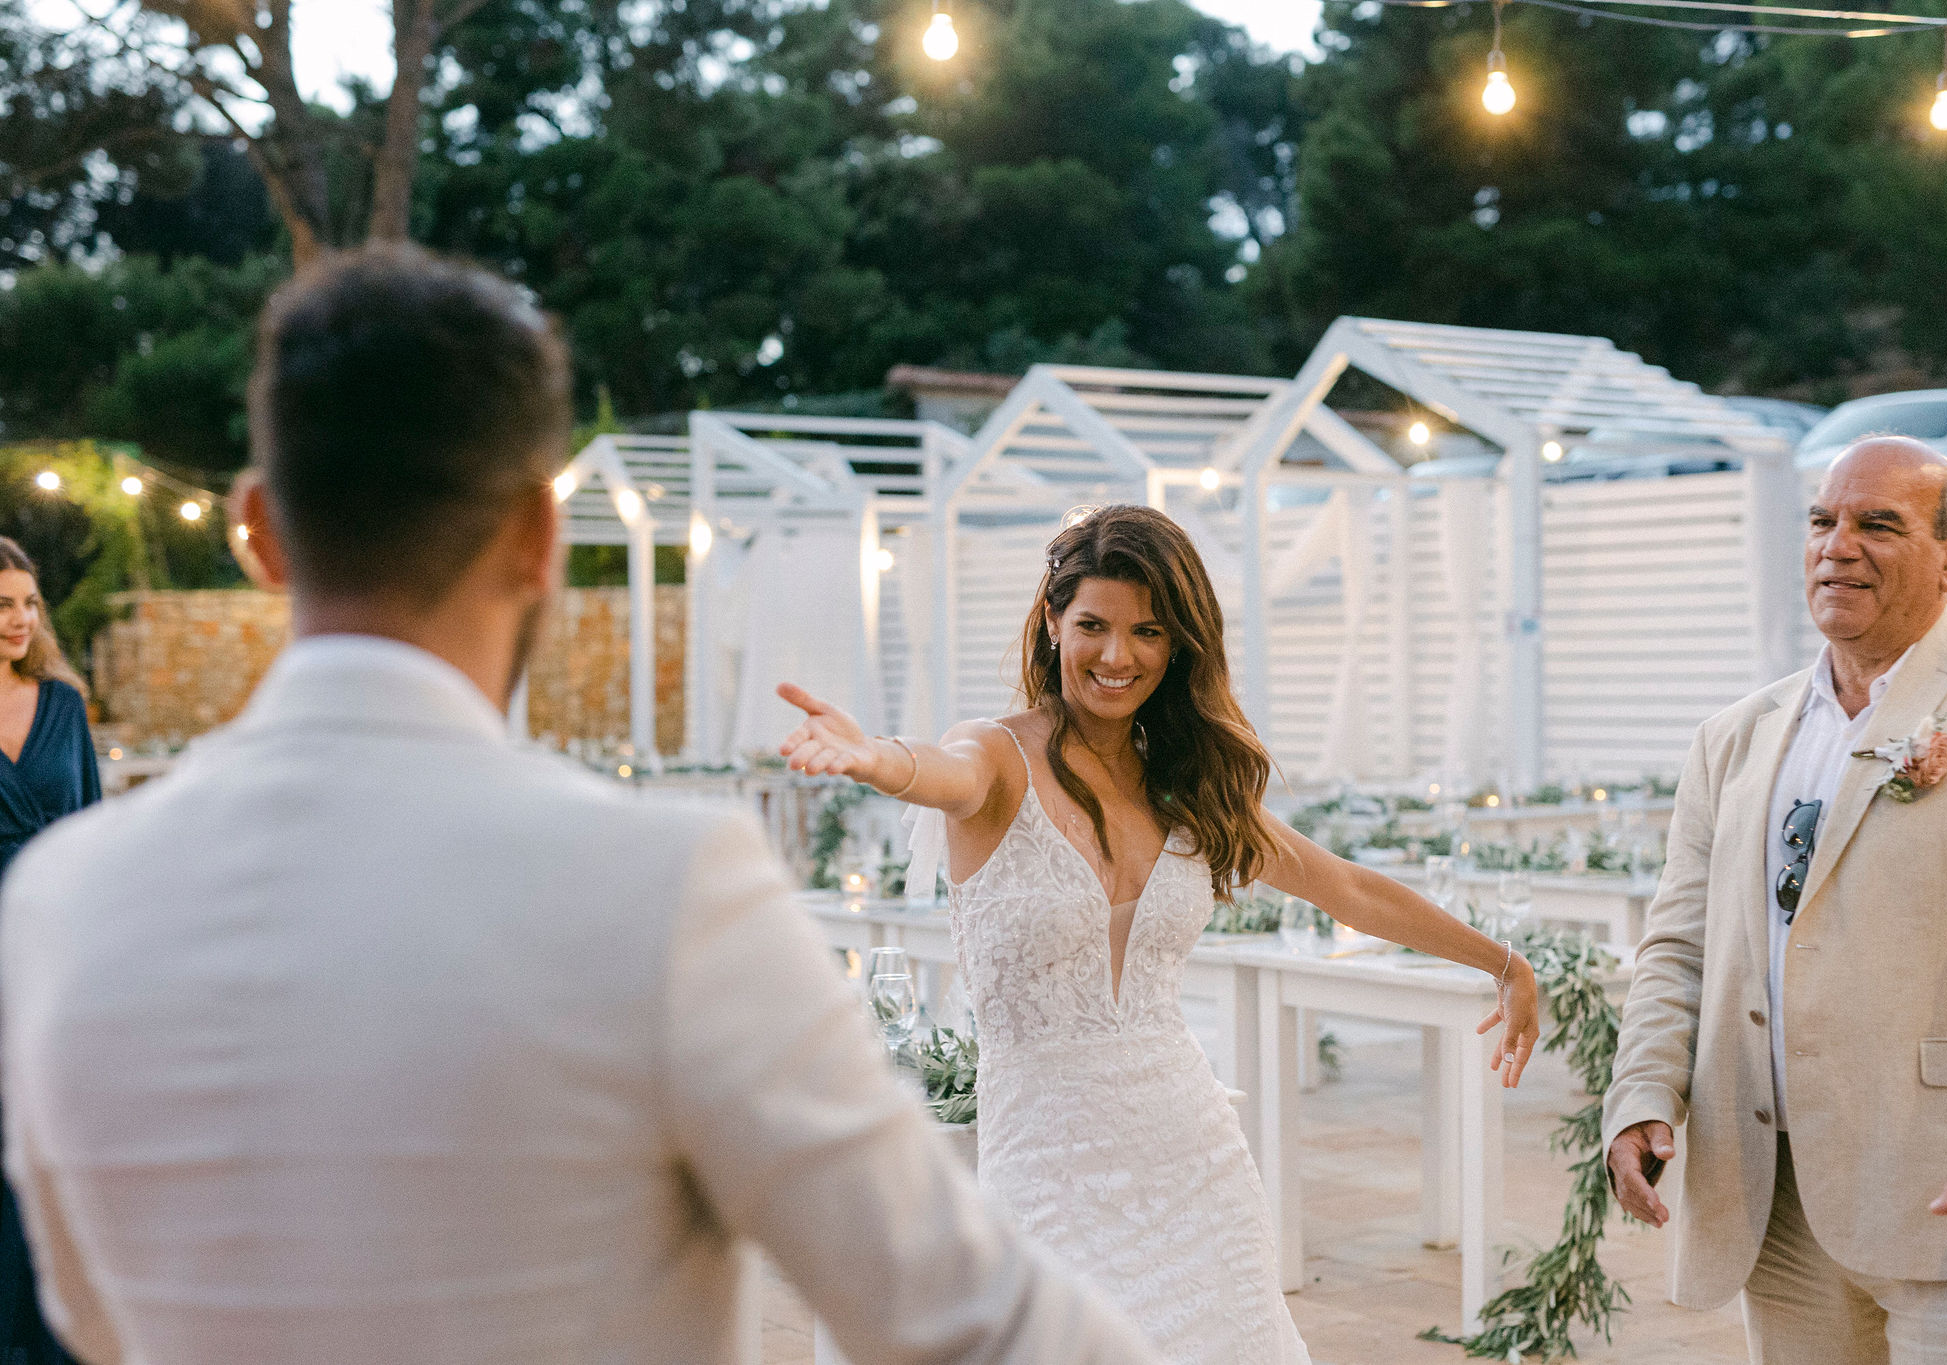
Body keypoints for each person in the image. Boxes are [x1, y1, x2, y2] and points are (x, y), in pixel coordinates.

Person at [0, 245, 1165, 1365]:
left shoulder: (58, 903)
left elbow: (91, 1321)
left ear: (255, 529)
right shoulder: (667, 886)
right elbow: (967, 1323)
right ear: (537, 536)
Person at [777, 503, 1543, 1363]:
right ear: (1052, 624)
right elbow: (932, 770)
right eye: (1094, 625)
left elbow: (1349, 889)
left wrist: (1503, 963)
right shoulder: (993, 757)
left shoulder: (1191, 785)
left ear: (1179, 644)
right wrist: (872, 757)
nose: (1118, 655)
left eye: (1147, 631)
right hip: (1047, 1168)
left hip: (1193, 1160)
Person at [1603, 437, 1947, 1364]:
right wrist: (1642, 1090)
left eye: (1877, 524)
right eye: (1822, 521)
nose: (1836, 545)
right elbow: (1678, 944)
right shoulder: (1733, 735)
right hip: (1775, 1201)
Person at [0, 536, 96, 1365]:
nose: (21, 619)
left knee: (54, 1136)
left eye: (30, 602)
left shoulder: (64, 706)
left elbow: (92, 832)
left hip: (51, 947)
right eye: (3, 603)